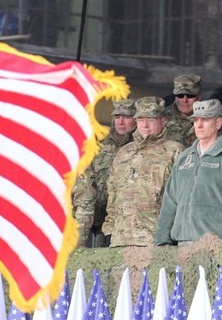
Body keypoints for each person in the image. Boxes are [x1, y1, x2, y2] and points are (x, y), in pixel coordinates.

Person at [155, 99, 222, 245]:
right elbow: (170, 201)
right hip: (182, 243)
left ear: (218, 123)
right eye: (196, 120)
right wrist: (161, 241)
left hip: (215, 244)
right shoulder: (184, 157)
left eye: (205, 120)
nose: (198, 125)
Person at [102, 97, 185, 247]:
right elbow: (113, 195)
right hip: (120, 239)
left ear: (163, 121)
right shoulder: (124, 152)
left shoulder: (175, 151)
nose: (145, 125)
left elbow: (182, 198)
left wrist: (172, 236)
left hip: (155, 240)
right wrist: (109, 231)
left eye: (151, 120)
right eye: (140, 119)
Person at [72, 99, 136, 247]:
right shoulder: (100, 142)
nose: (120, 122)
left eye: (126, 117)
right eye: (117, 117)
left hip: (119, 217)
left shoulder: (139, 147)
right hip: (93, 213)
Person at [165, 74, 201, 147]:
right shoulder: (162, 121)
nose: (185, 100)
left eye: (190, 96)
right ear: (174, 98)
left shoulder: (209, 122)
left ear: (199, 97)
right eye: (180, 95)